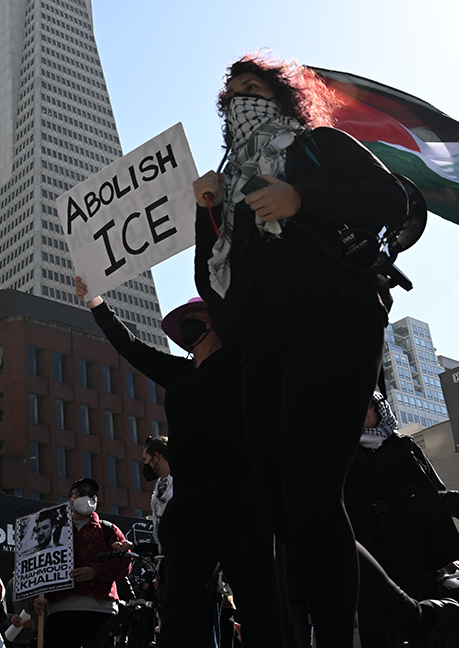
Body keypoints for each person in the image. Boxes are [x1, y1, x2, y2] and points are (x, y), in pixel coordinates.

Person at [192, 52, 459, 648]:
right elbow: (209, 281)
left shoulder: (317, 145)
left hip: (335, 323)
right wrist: (205, 213)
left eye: (252, 87)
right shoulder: (224, 183)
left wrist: (300, 198)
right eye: (231, 94)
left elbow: (391, 199)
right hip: (262, 349)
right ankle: (421, 620)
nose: (240, 100)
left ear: (281, 96)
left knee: (312, 494)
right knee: (290, 517)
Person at [75, 276, 282, 648]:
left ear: (216, 321)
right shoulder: (178, 372)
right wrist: (96, 303)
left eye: (197, 316)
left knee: (258, 601)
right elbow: (131, 346)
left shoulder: (241, 360)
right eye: (185, 319)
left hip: (240, 495)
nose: (188, 324)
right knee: (181, 607)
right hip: (189, 503)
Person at [346, 393, 459, 648]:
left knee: (409, 597)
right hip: (365, 536)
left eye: (367, 405)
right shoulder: (345, 450)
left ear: (379, 408)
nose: (362, 412)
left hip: (404, 534)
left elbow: (429, 489)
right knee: (370, 600)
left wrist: (452, 501)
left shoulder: (402, 444)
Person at [39, 479, 132, 648]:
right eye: (81, 493)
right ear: (70, 499)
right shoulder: (51, 530)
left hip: (101, 613)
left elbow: (125, 564)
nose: (87, 497)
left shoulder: (109, 529)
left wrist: (95, 571)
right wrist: (37, 597)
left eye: (92, 494)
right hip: (60, 612)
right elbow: (38, 566)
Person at [142, 436, 173, 549]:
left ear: (156, 456)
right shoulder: (158, 491)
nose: (146, 464)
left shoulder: (182, 483)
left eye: (146, 459)